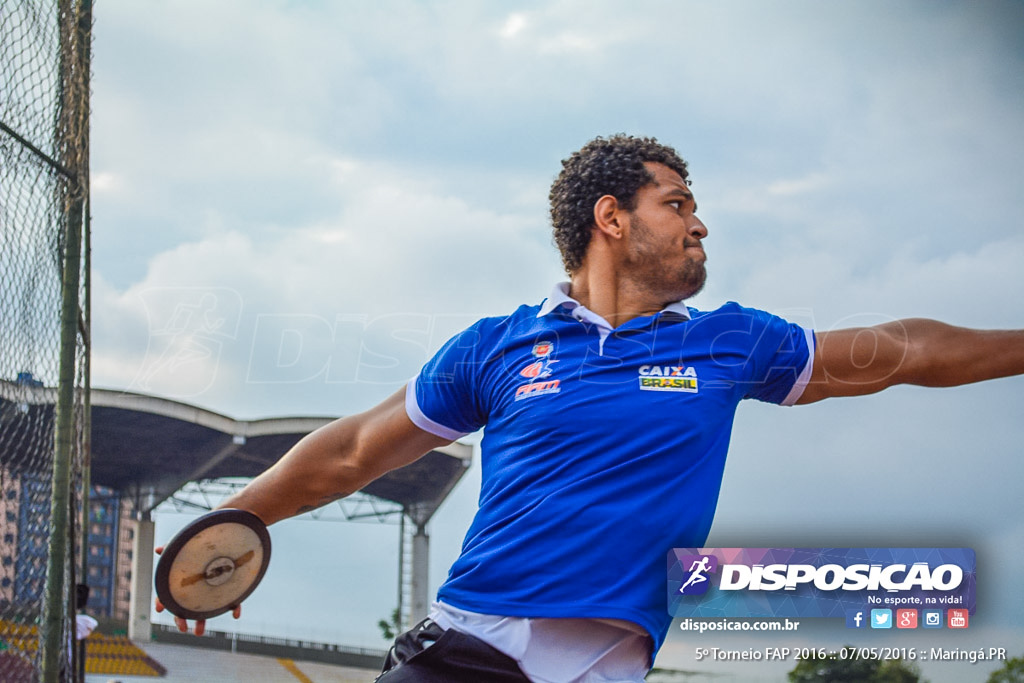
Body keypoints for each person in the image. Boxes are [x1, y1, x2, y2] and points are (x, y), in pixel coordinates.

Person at [157, 134, 1024, 682]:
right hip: (469, 651)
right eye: (677, 204)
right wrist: (230, 527)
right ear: (612, 217)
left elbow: (903, 348)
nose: (700, 225)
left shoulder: (732, 343)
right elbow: (352, 452)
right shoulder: (498, 345)